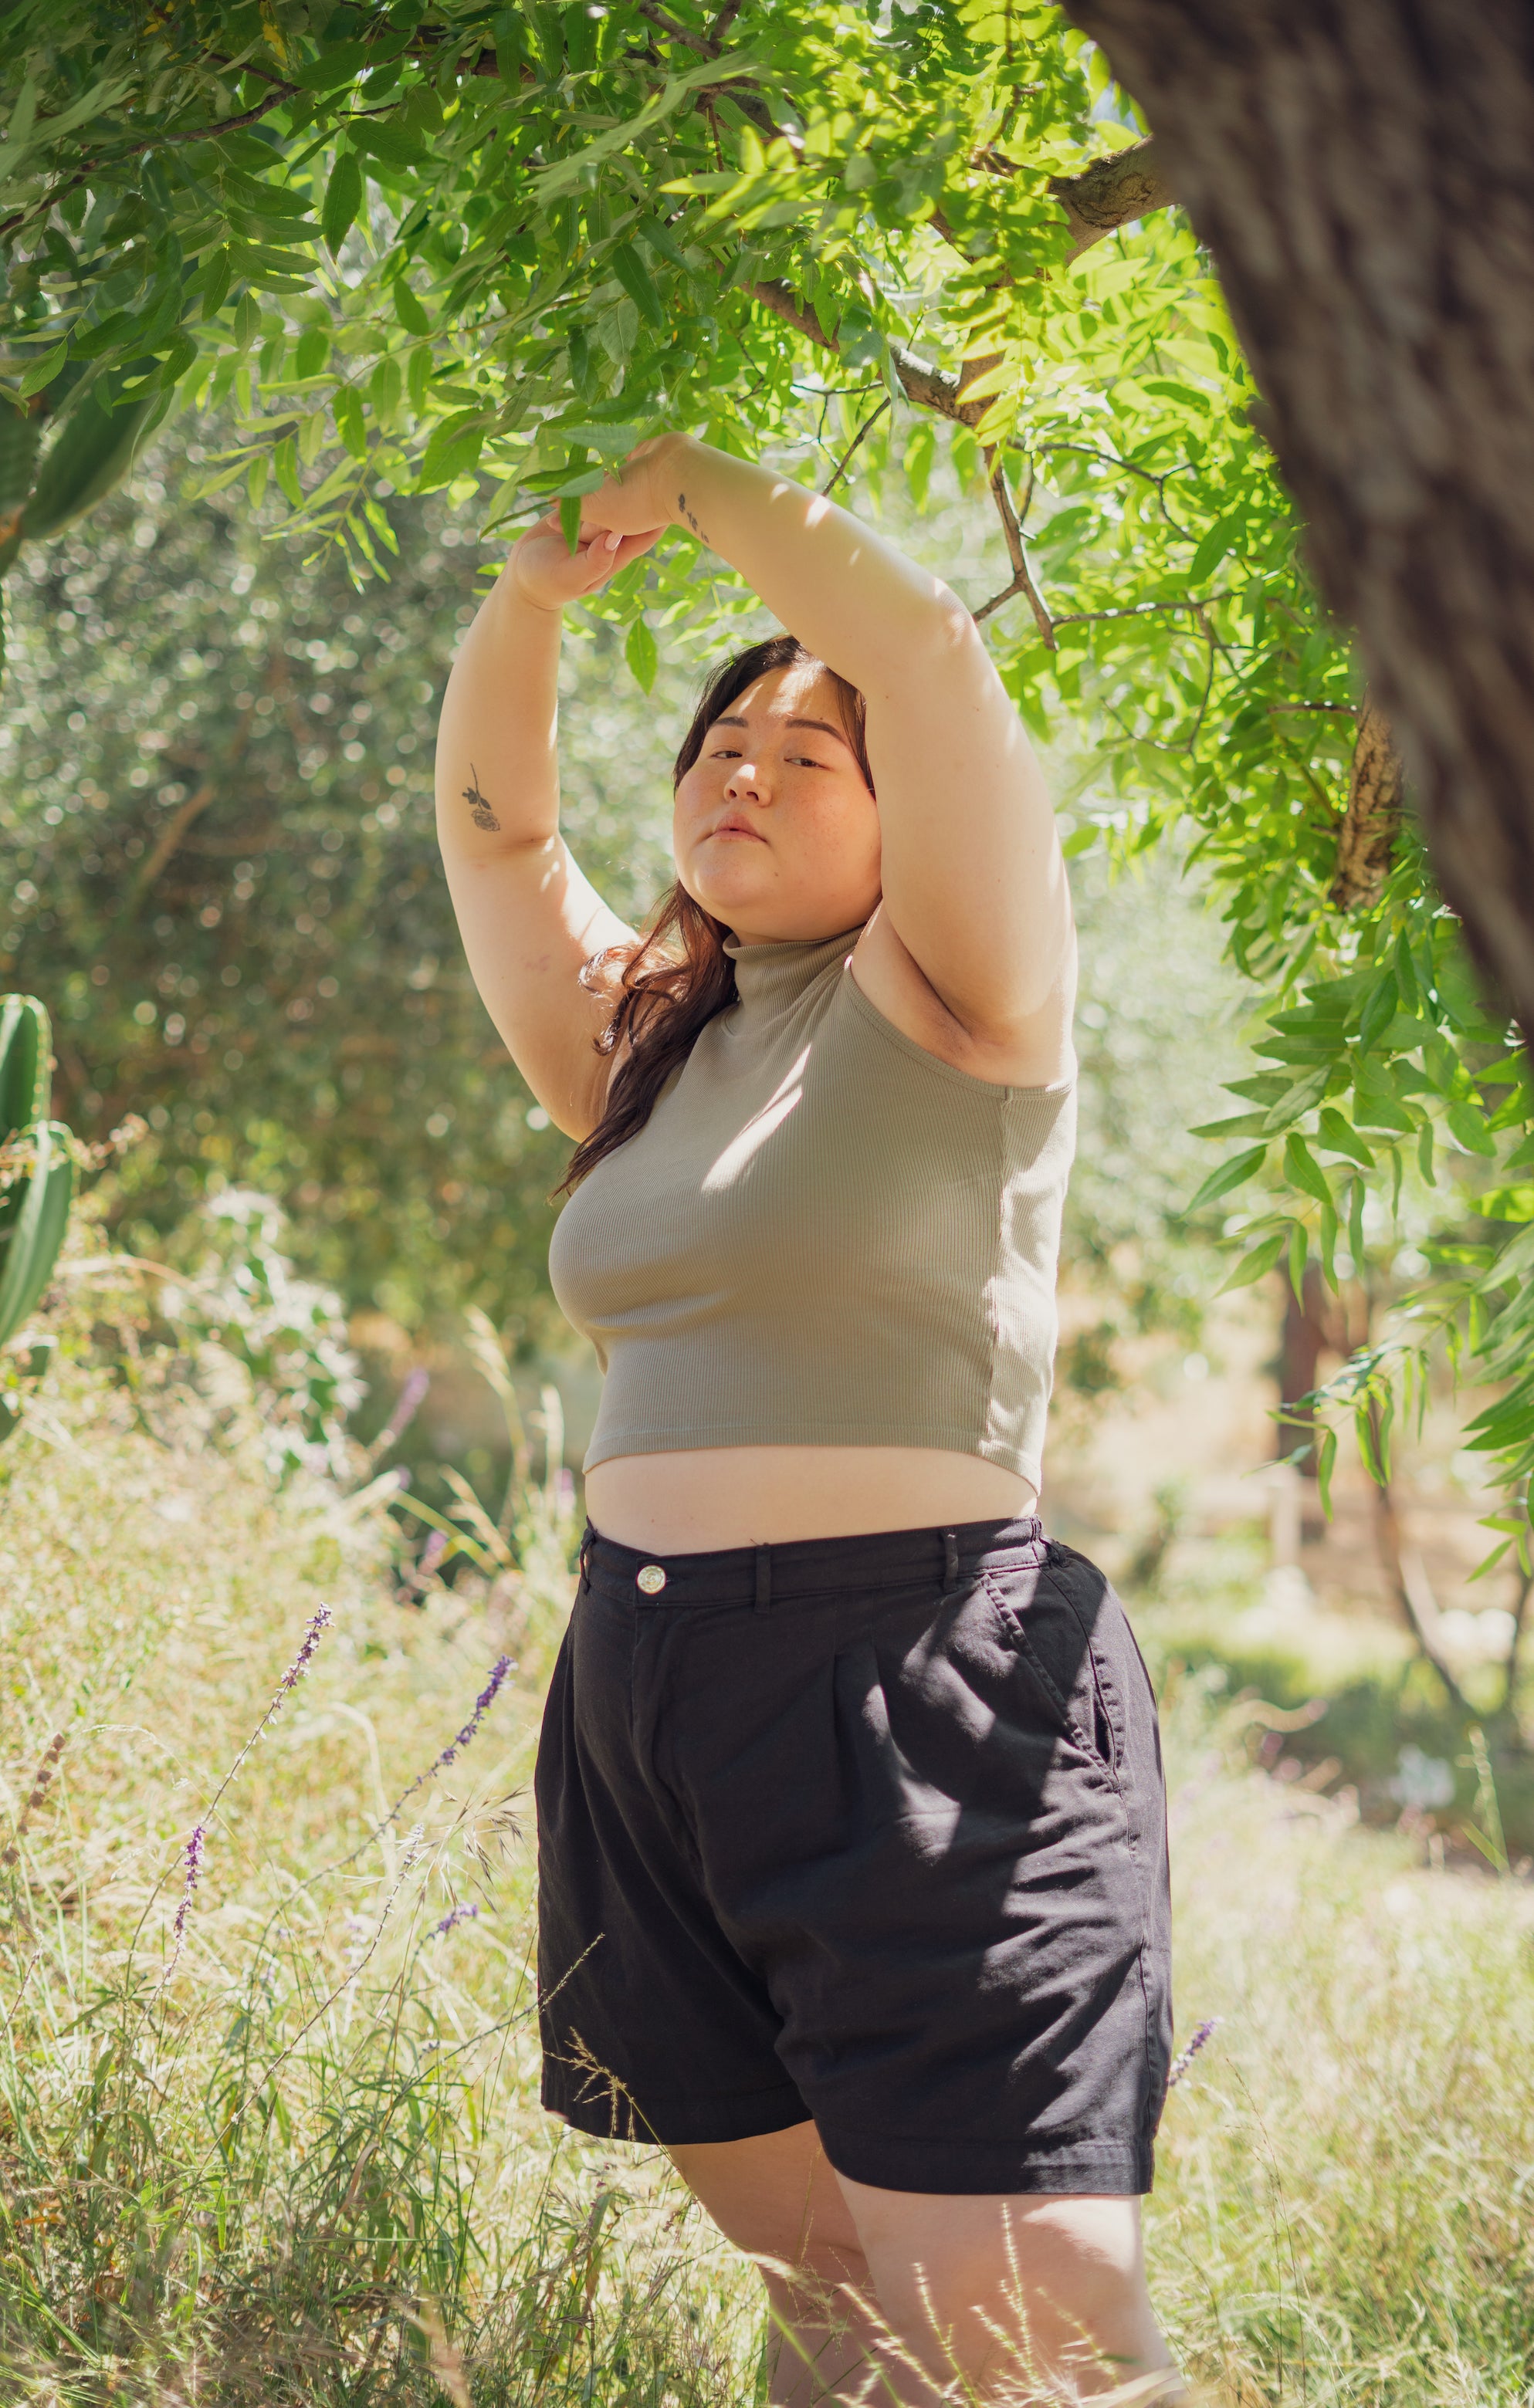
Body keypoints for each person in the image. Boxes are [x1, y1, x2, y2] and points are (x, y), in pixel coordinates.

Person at [435, 433, 1181, 2405]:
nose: (743, 776)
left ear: (893, 814)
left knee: (1034, 2331)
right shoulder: (654, 1041)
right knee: (837, 2289)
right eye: (716, 748)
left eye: (804, 756)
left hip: (918, 1676)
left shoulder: (962, 988)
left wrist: (687, 475)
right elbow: (502, 843)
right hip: (648, 1692)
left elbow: (930, 656)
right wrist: (530, 598)